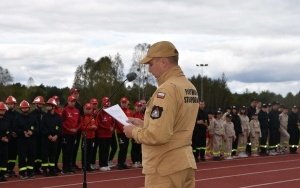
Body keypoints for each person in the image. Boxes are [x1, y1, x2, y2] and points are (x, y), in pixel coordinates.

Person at [123, 41, 199, 187]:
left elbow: (159, 135)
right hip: (184, 162)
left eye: (151, 64)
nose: (149, 70)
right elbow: (175, 124)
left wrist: (134, 132)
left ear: (163, 62)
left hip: (165, 165)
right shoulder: (189, 86)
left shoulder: (167, 89)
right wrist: (145, 125)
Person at [14, 100, 39, 179]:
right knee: (22, 157)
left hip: (32, 140)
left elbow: (37, 127)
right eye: (23, 108)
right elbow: (15, 128)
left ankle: (30, 172)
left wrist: (33, 132)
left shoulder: (33, 117)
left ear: (28, 108)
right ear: (21, 109)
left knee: (31, 156)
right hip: (21, 140)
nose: (25, 109)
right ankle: (22, 173)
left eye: (26, 108)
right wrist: (22, 132)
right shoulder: (17, 118)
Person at [40, 98, 62, 176]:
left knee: (53, 155)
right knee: (45, 154)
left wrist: (56, 135)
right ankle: (45, 170)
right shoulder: (44, 116)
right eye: (47, 106)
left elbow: (59, 127)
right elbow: (42, 127)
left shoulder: (58, 117)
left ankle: (52, 170)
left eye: (49, 106)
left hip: (55, 139)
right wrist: (48, 135)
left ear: (53, 107)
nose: (47, 107)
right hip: (46, 138)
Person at [61, 96, 81, 174]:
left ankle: (69, 167)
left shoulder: (77, 111)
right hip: (66, 134)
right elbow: (61, 122)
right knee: (66, 151)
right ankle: (64, 168)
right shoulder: (65, 110)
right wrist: (68, 129)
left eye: (74, 101)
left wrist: (76, 129)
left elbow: (80, 122)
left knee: (71, 151)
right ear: (68, 101)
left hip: (74, 134)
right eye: (71, 101)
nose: (73, 103)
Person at [96, 97, 115, 171]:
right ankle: (101, 164)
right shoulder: (99, 113)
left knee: (107, 149)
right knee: (102, 150)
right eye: (105, 106)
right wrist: (107, 128)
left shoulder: (111, 113)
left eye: (107, 106)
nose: (106, 107)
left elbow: (113, 122)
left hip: (109, 134)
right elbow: (99, 123)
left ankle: (106, 164)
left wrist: (112, 127)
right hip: (102, 134)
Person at [116, 97, 133, 170]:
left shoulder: (129, 111)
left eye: (125, 102)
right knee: (122, 147)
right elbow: (117, 122)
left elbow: (131, 121)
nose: (123, 104)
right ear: (120, 103)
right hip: (120, 132)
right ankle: (120, 163)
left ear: (127, 103)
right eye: (122, 102)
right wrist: (122, 130)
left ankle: (123, 162)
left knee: (126, 147)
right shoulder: (118, 111)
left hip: (127, 132)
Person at [69, 88, 84, 170]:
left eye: (77, 93)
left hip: (77, 130)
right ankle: (69, 163)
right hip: (69, 130)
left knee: (75, 146)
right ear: (71, 94)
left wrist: (78, 128)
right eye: (75, 93)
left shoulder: (79, 105)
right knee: (70, 147)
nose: (76, 95)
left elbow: (81, 117)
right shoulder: (67, 104)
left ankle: (73, 163)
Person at [4, 96, 19, 178]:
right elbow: (5, 126)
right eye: (8, 104)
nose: (10, 105)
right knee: (6, 154)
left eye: (11, 104)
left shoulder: (18, 114)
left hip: (16, 138)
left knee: (13, 155)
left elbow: (20, 125)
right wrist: (10, 132)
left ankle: (10, 169)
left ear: (14, 104)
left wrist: (17, 132)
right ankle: (5, 169)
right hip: (7, 138)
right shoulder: (5, 114)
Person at [30, 96, 46, 175]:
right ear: (36, 104)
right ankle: (32, 168)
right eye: (39, 103)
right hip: (34, 137)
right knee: (33, 152)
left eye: (42, 103)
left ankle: (37, 167)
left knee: (40, 153)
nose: (41, 105)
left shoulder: (44, 114)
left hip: (42, 137)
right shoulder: (31, 114)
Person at [80, 103, 97, 172]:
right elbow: (82, 127)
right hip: (85, 137)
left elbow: (96, 125)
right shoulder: (83, 117)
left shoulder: (93, 117)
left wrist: (95, 127)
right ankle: (84, 166)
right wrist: (90, 127)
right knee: (84, 152)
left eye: (90, 109)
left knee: (90, 152)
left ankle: (88, 166)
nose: (88, 110)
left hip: (92, 137)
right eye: (87, 109)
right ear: (84, 109)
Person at [52, 95, 63, 172]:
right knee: (53, 151)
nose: (57, 102)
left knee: (58, 150)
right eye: (56, 101)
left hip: (60, 133)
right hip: (53, 134)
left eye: (58, 101)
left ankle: (55, 164)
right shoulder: (52, 111)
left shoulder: (61, 110)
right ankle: (52, 165)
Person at [131, 102, 144, 168]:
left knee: (140, 148)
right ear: (135, 107)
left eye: (140, 106)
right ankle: (134, 161)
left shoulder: (142, 115)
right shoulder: (133, 114)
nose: (139, 108)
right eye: (138, 106)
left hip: (141, 133)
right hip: (135, 133)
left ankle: (139, 160)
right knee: (135, 147)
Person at [0, 102, 10, 182]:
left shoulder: (6, 120)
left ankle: (2, 174)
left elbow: (8, 130)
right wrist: (1, 138)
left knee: (4, 159)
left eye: (3, 110)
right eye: (1, 110)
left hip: (5, 143)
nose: (2, 111)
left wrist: (7, 137)